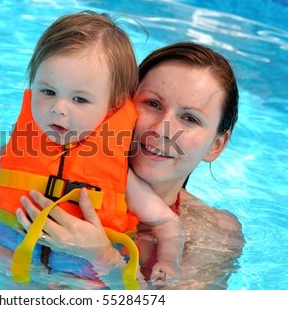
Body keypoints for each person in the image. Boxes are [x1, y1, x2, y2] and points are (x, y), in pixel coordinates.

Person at [0, 11, 185, 288]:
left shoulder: (120, 174)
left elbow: (167, 224)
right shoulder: (17, 149)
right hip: (5, 265)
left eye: (80, 99)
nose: (58, 108)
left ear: (113, 106)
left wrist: (168, 261)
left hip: (81, 282)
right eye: (47, 92)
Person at [16, 42, 245, 289]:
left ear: (216, 146)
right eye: (152, 104)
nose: (161, 130)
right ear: (116, 104)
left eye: (190, 119)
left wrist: (104, 258)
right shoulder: (47, 163)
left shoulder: (212, 234)